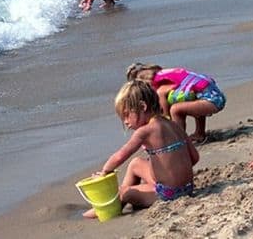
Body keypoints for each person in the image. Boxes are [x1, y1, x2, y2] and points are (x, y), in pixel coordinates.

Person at [85, 80, 198, 217]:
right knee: (136, 163)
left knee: (124, 192)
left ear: (142, 107)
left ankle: (117, 201)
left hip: (168, 194)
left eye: (126, 115)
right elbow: (194, 157)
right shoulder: (174, 125)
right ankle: (123, 197)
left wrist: (105, 171)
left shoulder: (145, 131)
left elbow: (121, 155)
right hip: (188, 188)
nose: (126, 122)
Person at [127, 63, 226, 143]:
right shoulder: (168, 75)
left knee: (175, 109)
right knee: (187, 104)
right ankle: (199, 133)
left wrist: (166, 120)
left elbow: (165, 113)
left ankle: (179, 141)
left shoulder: (161, 88)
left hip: (212, 101)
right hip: (214, 96)